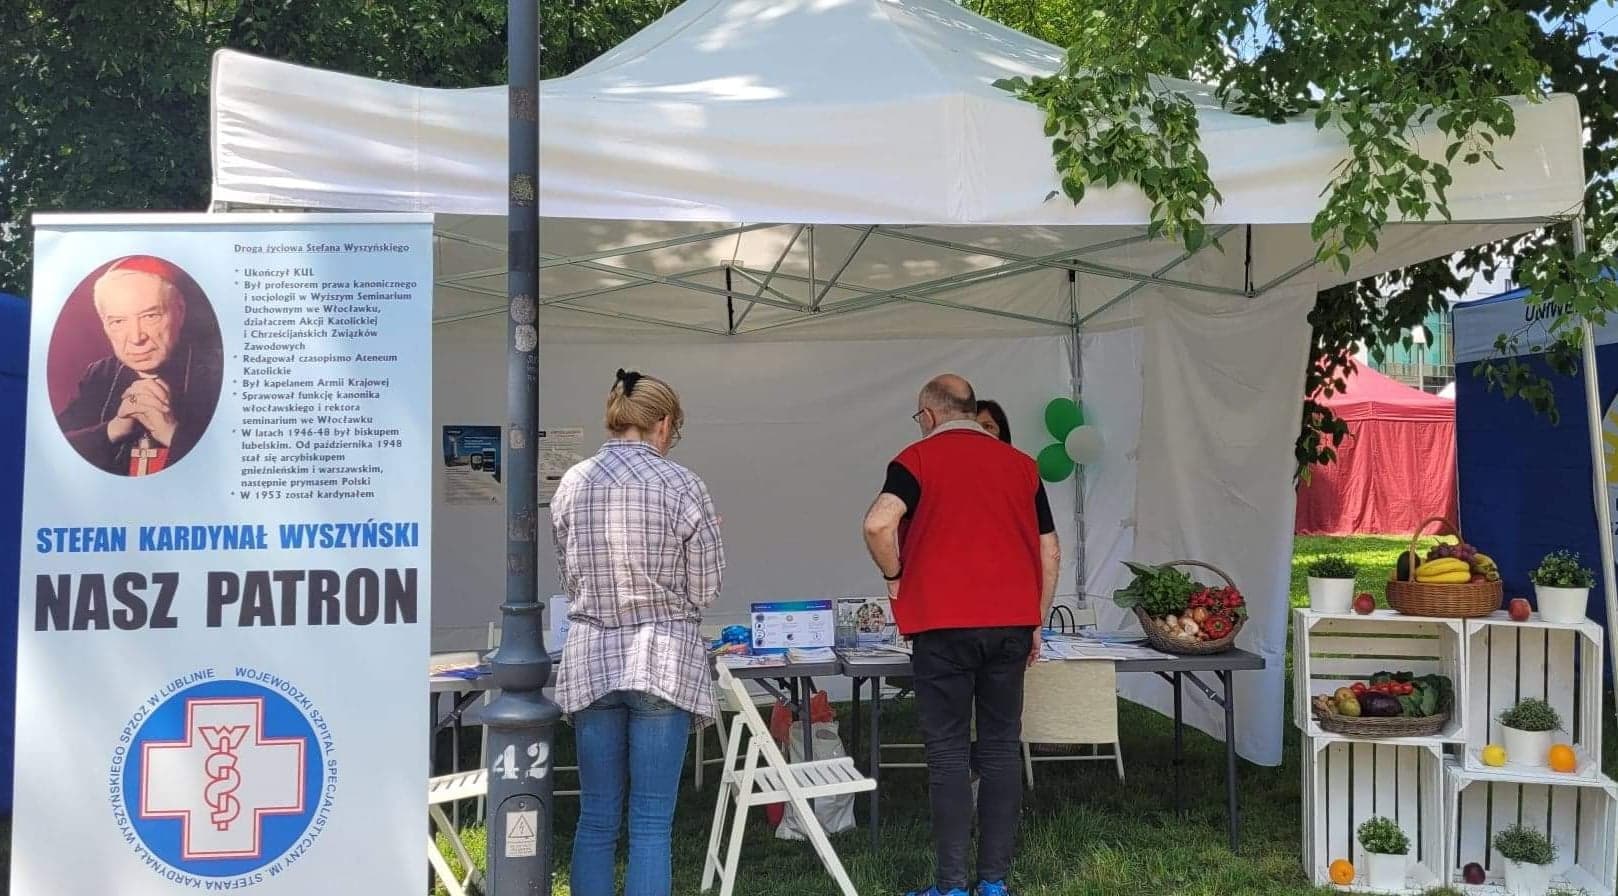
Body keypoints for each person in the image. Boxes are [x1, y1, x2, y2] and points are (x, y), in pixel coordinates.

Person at [862, 375, 1060, 896]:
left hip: (942, 624)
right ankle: (993, 883)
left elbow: (879, 525)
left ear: (929, 415)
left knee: (948, 753)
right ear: (973, 412)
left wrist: (894, 577)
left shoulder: (915, 460)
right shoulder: (1023, 466)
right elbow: (1051, 550)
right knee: (999, 750)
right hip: (1011, 622)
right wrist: (1037, 618)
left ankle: (950, 886)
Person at [552, 369, 724, 896]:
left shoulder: (573, 481)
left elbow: (569, 573)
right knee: (651, 827)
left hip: (590, 658)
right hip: (661, 659)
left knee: (596, 819)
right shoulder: (682, 483)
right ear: (663, 423)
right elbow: (707, 586)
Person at [55, 256, 222, 476]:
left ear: (180, 312)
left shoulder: (216, 370)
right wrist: (114, 429)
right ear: (105, 325)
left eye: (150, 316)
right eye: (118, 321)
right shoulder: (100, 374)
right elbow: (53, 453)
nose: (136, 337)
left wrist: (171, 433)